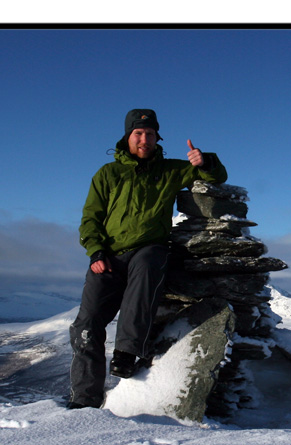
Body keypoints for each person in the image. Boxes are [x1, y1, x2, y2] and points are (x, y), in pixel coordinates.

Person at [67, 109, 228, 409]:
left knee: (147, 269)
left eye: (150, 134)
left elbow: (216, 176)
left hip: (149, 248)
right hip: (109, 255)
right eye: (138, 134)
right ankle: (83, 401)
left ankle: (126, 353)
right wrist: (96, 251)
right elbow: (91, 218)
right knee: (86, 324)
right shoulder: (108, 174)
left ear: (157, 138)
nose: (144, 139)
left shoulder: (169, 170)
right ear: (128, 137)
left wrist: (204, 161)